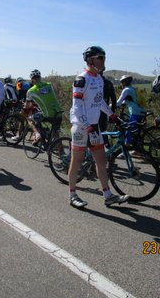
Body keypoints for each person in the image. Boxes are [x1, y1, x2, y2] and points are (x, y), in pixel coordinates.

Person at [68, 46, 129, 208]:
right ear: (90, 60)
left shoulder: (99, 79)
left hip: (93, 126)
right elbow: (77, 106)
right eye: (100, 58)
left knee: (102, 162)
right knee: (77, 161)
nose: (103, 61)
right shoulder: (82, 79)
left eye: (104, 58)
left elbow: (100, 101)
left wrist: (112, 115)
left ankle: (108, 195)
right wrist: (87, 125)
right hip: (81, 126)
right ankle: (72, 195)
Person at [22, 69, 63, 144]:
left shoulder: (31, 91)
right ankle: (61, 152)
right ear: (40, 77)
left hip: (47, 114)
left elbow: (27, 106)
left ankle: (37, 134)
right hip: (59, 112)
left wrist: (24, 107)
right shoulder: (49, 85)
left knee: (30, 119)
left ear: (32, 79)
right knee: (56, 134)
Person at [98, 69, 117, 146]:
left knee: (95, 127)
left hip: (95, 108)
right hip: (105, 109)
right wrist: (112, 111)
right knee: (103, 126)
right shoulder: (108, 83)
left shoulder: (95, 82)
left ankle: (101, 144)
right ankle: (106, 143)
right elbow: (113, 98)